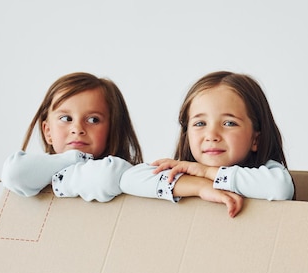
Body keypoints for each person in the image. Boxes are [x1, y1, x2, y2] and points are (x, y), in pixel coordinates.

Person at [120, 71, 294, 217]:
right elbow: (128, 180)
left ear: (256, 139)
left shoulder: (268, 173)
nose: (212, 135)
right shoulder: (181, 172)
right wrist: (201, 187)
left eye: (229, 123)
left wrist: (207, 172)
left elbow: (280, 188)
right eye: (200, 124)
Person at [1, 72, 143, 202]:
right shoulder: (35, 173)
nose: (77, 129)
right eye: (66, 118)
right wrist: (76, 159)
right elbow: (14, 172)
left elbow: (106, 177)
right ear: (48, 132)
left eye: (93, 120)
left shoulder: (123, 173)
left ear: (112, 130)